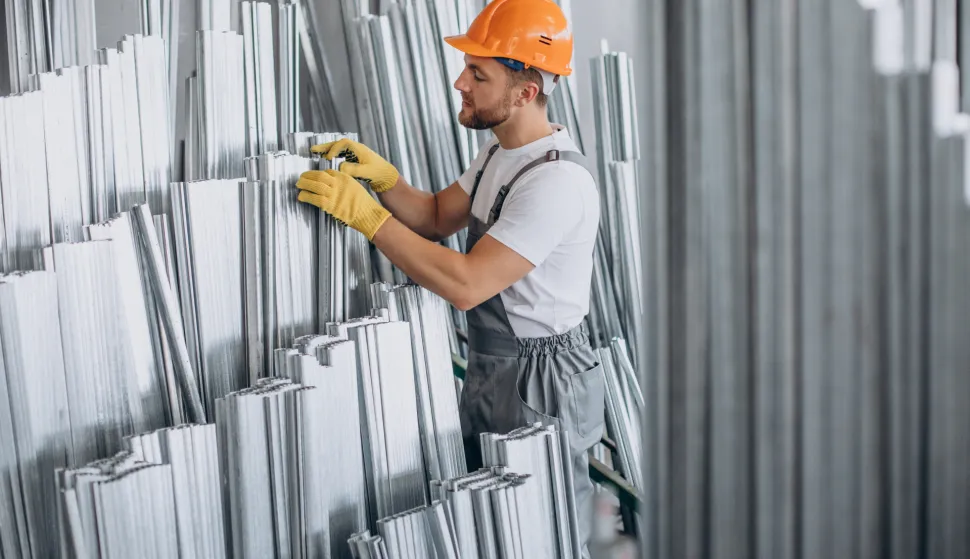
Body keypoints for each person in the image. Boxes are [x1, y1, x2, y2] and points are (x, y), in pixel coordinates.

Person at [296, 0, 605, 551]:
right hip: (497, 360)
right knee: (494, 516)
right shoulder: (499, 152)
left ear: (525, 92)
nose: (460, 82)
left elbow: (467, 284)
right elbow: (439, 216)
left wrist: (367, 218)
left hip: (543, 376)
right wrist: (384, 180)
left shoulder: (556, 182)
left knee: (545, 526)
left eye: (477, 74)